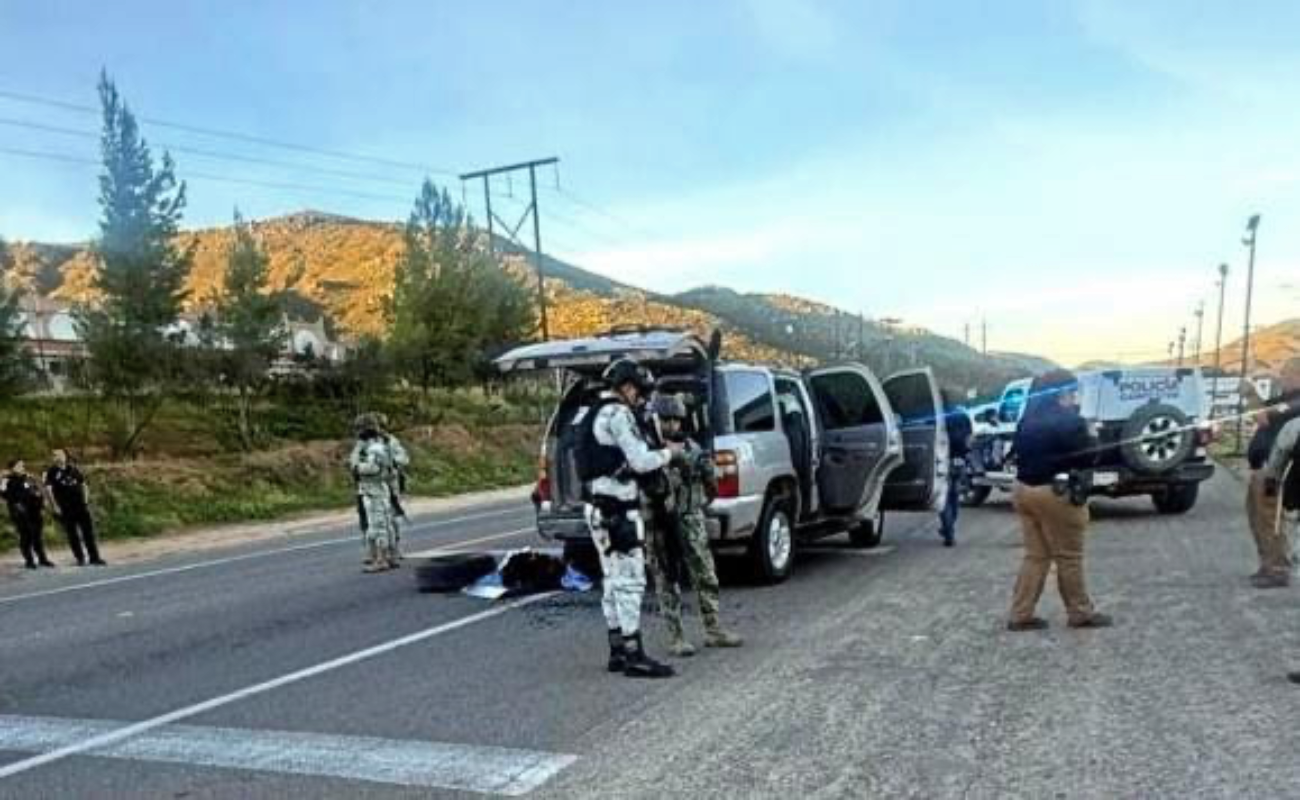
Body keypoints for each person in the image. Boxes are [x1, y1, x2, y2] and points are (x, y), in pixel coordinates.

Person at [583, 358, 679, 679]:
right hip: (618, 510)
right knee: (632, 580)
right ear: (626, 387)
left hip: (595, 507)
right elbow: (639, 462)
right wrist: (670, 454)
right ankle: (634, 653)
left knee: (611, 579)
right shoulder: (619, 414)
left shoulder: (590, 411)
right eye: (639, 392)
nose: (641, 399)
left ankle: (617, 651)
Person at [1006, 370, 1112, 631]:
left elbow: (1016, 452)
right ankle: (1080, 612)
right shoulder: (1070, 421)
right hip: (1055, 493)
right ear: (1062, 393)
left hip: (1023, 491)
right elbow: (1089, 457)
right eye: (1072, 392)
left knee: (1036, 555)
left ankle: (1020, 614)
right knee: (1069, 556)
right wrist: (1094, 435)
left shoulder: (1027, 419)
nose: (1074, 397)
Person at [644, 393, 743, 657]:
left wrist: (695, 503)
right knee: (666, 577)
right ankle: (676, 637)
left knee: (705, 573)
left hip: (689, 518)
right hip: (660, 523)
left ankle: (714, 629)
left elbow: (712, 484)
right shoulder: (648, 450)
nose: (673, 425)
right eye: (667, 419)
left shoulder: (693, 448)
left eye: (676, 419)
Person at [1244, 359, 1300, 589]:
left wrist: (1249, 393)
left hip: (1276, 474)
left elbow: (1262, 416)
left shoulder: (1296, 403)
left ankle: (1277, 568)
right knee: (1260, 517)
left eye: (1287, 374)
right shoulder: (1285, 399)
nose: (1282, 379)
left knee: (1270, 518)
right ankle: (1268, 564)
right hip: (1265, 471)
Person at [349, 413, 405, 573]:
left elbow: (374, 468)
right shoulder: (373, 445)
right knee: (382, 523)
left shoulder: (376, 446)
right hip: (376, 488)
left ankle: (381, 559)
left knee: (379, 524)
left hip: (374, 488)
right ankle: (389, 556)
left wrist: (356, 467)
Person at [44, 449, 105, 567]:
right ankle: (80, 558)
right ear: (53, 458)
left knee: (88, 533)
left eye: (61, 455)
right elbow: (49, 490)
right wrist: (55, 506)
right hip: (65, 507)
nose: (59, 457)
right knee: (72, 534)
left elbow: (84, 484)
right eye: (56, 455)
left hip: (80, 505)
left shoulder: (73, 469)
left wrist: (85, 500)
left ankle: (94, 557)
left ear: (65, 456)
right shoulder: (51, 472)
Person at [2, 460, 54, 570]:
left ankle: (42, 559)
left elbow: (37, 491)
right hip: (20, 512)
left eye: (22, 465)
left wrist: (41, 504)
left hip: (34, 511)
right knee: (26, 537)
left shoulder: (29, 477)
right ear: (12, 468)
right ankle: (29, 560)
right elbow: (4, 495)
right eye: (19, 465)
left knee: (37, 537)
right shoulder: (8, 480)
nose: (22, 467)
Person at [939, 393, 973, 547]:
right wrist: (965, 455)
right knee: (954, 494)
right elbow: (970, 438)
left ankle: (948, 530)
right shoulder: (962, 415)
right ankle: (949, 526)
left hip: (944, 459)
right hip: (960, 459)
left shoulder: (938, 416)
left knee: (944, 497)